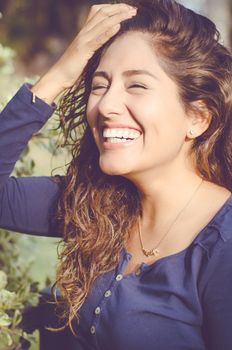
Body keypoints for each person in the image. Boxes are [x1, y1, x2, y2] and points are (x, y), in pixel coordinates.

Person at [0, 0, 232, 349]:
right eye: (99, 85)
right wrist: (58, 77)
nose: (106, 106)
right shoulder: (93, 203)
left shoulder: (222, 246)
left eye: (137, 86)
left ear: (198, 118)